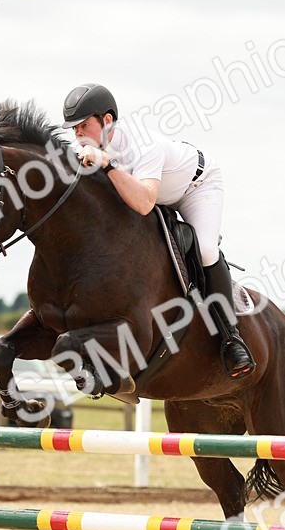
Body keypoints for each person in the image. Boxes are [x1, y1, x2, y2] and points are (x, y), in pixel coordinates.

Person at [61, 82, 255, 379]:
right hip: (153, 190)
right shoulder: (88, 150)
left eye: (84, 125)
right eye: (74, 129)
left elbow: (143, 202)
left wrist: (108, 165)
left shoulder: (143, 146)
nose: (78, 135)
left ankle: (231, 337)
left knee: (204, 249)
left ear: (107, 120)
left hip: (196, 187)